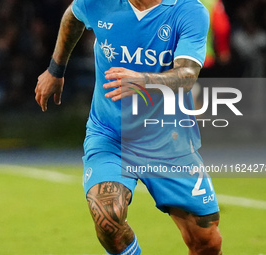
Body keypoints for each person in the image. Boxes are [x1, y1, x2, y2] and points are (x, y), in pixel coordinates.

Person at [35, 0, 222, 254]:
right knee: (107, 214)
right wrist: (55, 70)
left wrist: (142, 80)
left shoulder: (189, 10)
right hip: (110, 135)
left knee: (206, 243)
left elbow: (187, 75)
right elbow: (72, 16)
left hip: (168, 141)